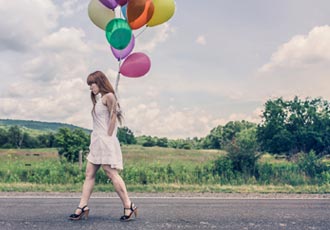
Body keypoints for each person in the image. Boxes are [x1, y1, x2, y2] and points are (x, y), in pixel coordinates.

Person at [69, 70, 137, 221]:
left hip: (105, 141)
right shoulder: (100, 99)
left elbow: (113, 117)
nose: (90, 87)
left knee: (110, 172)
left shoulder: (109, 97)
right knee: (89, 174)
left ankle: (128, 205)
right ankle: (82, 206)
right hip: (96, 141)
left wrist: (108, 137)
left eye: (91, 84)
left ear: (99, 82)